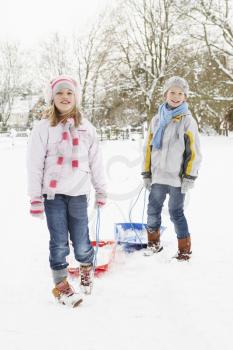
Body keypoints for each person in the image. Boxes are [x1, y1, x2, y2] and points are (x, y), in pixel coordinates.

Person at [27, 75, 107, 307]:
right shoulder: (43, 129)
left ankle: (85, 267)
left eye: (69, 93)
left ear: (76, 97)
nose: (64, 97)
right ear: (52, 98)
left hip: (79, 193)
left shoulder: (86, 128)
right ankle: (61, 284)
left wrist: (101, 190)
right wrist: (35, 197)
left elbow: (96, 161)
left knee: (82, 239)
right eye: (60, 93)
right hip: (52, 196)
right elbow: (34, 164)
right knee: (59, 241)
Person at [142, 76, 202, 260]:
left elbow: (194, 152)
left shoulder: (187, 121)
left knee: (176, 212)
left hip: (177, 179)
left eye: (180, 93)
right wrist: (146, 172)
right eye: (172, 92)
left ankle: (184, 250)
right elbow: (148, 148)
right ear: (165, 94)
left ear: (185, 97)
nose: (176, 96)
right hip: (158, 177)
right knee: (152, 210)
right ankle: (153, 243)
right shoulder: (156, 120)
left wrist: (189, 177)